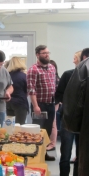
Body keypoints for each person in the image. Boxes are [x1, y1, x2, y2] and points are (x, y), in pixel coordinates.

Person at [55, 50, 84, 176]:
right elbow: (59, 94)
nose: (73, 60)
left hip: (82, 121)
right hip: (67, 118)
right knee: (65, 153)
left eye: (74, 58)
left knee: (80, 153)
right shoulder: (68, 75)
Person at [62, 48, 89, 176]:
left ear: (83, 57)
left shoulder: (83, 68)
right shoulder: (72, 72)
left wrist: (73, 125)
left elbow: (73, 103)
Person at [26, 45, 56, 161]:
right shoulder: (33, 69)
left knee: (47, 131)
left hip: (51, 104)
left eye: (48, 52)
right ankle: (36, 155)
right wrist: (35, 106)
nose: (47, 55)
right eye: (44, 53)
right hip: (40, 105)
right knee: (38, 131)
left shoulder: (52, 68)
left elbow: (54, 86)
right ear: (37, 55)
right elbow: (31, 89)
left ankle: (44, 154)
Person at [6, 56, 29, 125]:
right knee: (20, 125)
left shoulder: (7, 75)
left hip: (9, 102)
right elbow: (28, 90)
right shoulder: (24, 76)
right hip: (20, 103)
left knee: (10, 125)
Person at [47, 59, 60, 151]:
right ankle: (49, 142)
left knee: (53, 123)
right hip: (48, 102)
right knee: (49, 123)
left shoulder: (56, 78)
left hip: (54, 102)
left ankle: (52, 143)